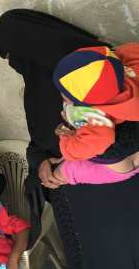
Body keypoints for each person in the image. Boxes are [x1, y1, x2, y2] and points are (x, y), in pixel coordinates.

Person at [0, 8, 139, 269]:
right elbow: (38, 138)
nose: (13, 62)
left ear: (31, 41)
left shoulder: (92, 73)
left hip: (114, 193)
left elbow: (120, 141)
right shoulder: (47, 87)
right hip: (71, 191)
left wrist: (71, 161)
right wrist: (41, 163)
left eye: (11, 54)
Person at [51, 43, 139, 185]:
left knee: (59, 173)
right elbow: (130, 50)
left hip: (122, 163)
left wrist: (65, 138)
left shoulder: (94, 116)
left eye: (66, 95)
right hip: (131, 132)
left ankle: (59, 178)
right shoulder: (130, 67)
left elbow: (90, 145)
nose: (62, 96)